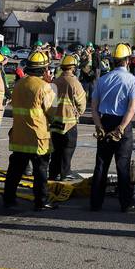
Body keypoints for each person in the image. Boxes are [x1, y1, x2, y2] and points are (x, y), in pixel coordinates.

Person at [89, 43, 135, 213]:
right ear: (127, 61)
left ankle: (95, 203)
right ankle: (126, 203)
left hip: (105, 121)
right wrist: (121, 128)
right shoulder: (132, 81)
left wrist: (99, 127)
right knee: (122, 165)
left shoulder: (103, 80)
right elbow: (132, 108)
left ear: (113, 60)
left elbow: (94, 107)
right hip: (122, 124)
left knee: (101, 165)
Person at [4, 50, 56, 211]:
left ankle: (8, 198)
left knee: (15, 170)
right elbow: (52, 112)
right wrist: (50, 85)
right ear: (44, 69)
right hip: (37, 138)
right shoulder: (44, 87)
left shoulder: (19, 84)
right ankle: (41, 201)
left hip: (19, 136)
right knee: (40, 171)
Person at [48, 53, 88, 181]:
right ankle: (65, 173)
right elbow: (82, 103)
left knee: (55, 150)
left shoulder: (55, 81)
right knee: (68, 148)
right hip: (69, 123)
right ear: (73, 68)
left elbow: (51, 103)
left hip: (55, 122)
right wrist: (79, 113)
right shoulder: (74, 82)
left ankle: (53, 173)